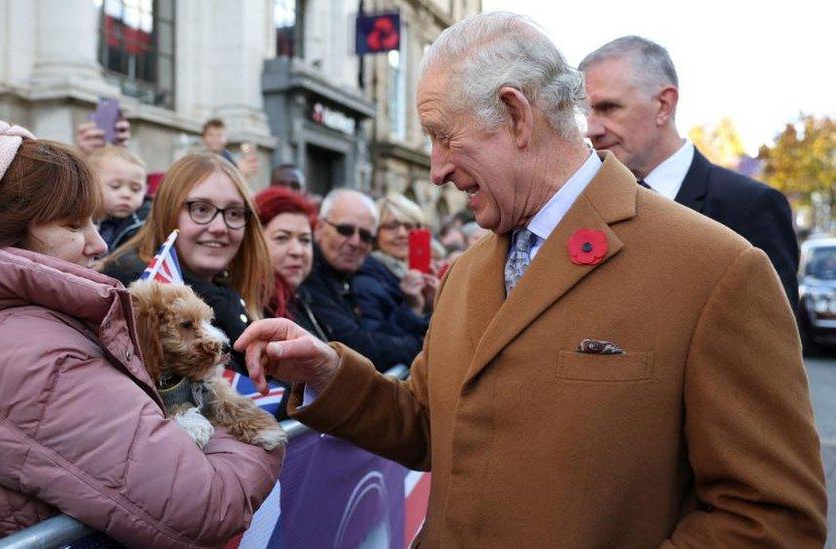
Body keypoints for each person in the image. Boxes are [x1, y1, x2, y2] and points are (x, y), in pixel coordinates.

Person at [235, 12, 826, 547]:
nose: (437, 168)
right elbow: (427, 422)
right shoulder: (469, 271)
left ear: (517, 114)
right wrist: (328, 375)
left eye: (444, 135)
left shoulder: (718, 270)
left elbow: (770, 518)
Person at [0, 121, 282, 548]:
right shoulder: (28, 356)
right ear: (2, 234)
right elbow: (206, 507)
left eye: (94, 221)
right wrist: (255, 433)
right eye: (71, 225)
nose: (98, 243)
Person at [579, 36, 799, 311]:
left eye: (608, 108)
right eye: (586, 112)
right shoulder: (587, 202)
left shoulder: (749, 206)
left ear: (664, 104)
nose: (591, 129)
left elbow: (773, 337)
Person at [101, 153, 274, 373]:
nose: (220, 227)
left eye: (233, 213)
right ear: (167, 211)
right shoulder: (137, 296)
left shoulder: (231, 293)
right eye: (201, 209)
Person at [299, 189, 426, 371]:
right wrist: (423, 343)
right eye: (345, 230)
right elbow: (358, 346)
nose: (355, 242)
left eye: (365, 236)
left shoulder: (345, 272)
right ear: (319, 228)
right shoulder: (307, 273)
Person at [353, 193, 436, 345]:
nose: (402, 234)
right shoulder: (366, 279)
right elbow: (375, 344)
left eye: (409, 226)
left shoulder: (418, 273)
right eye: (392, 227)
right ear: (375, 233)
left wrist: (435, 303)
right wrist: (412, 307)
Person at [254, 186, 327, 340]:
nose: (297, 251)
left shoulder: (303, 297)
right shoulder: (252, 307)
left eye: (305, 240)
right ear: (255, 242)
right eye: (282, 238)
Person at [87, 146, 148, 252]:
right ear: (92, 184)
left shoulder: (143, 224)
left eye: (135, 189)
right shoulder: (81, 217)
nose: (126, 194)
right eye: (115, 186)